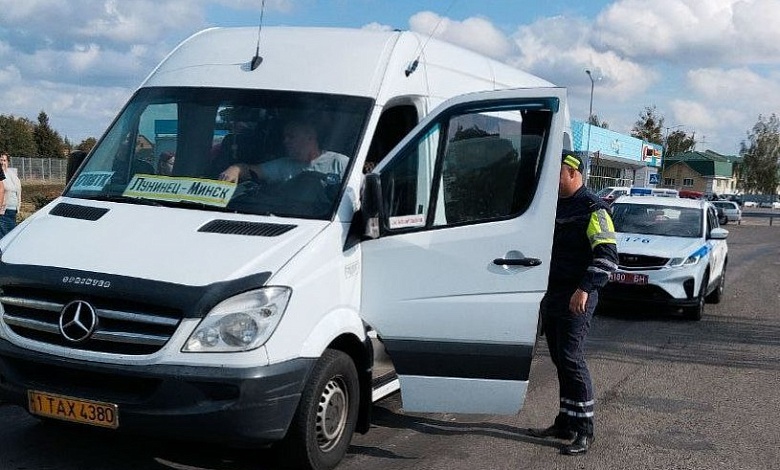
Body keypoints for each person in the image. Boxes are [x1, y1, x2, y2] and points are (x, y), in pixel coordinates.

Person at [527, 151, 618, 455]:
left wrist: (584, 289)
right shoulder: (551, 206)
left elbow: (607, 257)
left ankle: (585, 430)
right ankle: (565, 421)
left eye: (557, 172)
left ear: (573, 173)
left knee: (571, 359)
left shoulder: (594, 208)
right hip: (552, 295)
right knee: (559, 360)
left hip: (577, 295)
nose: (552, 178)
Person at [219, 119, 348, 184]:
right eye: (285, 137)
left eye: (291, 136)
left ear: (310, 137)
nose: (285, 141)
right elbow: (253, 171)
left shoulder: (340, 163)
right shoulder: (284, 165)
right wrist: (236, 169)